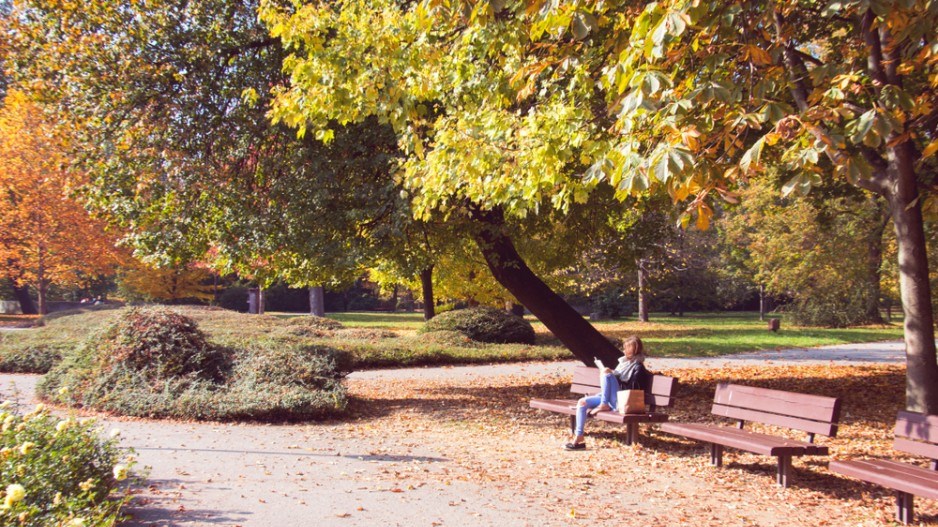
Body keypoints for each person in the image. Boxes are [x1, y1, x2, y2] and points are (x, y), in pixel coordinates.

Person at [565, 336, 649, 450]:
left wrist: (613, 375)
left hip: (622, 401)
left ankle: (603, 404)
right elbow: (616, 379)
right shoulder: (623, 363)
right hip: (611, 398)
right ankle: (579, 438)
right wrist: (614, 374)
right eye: (624, 348)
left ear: (634, 350)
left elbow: (633, 389)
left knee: (606, 372)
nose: (624, 351)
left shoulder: (638, 367)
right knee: (582, 402)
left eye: (627, 348)